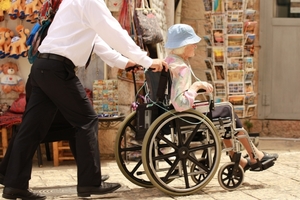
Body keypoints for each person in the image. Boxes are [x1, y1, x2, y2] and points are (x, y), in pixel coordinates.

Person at [1, 0, 168, 199]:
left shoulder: (73, 2)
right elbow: (115, 32)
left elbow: (95, 40)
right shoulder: (91, 1)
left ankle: (13, 182)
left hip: (43, 68)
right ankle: (90, 182)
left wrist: (125, 62)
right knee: (86, 120)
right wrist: (147, 61)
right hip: (57, 70)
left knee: (31, 128)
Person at [164, 24, 277, 173]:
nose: (196, 46)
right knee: (228, 111)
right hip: (186, 116)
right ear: (184, 46)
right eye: (193, 44)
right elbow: (180, 103)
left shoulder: (169, 61)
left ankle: (243, 159)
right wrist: (196, 87)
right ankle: (255, 155)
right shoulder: (181, 68)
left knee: (224, 114)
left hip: (174, 114)